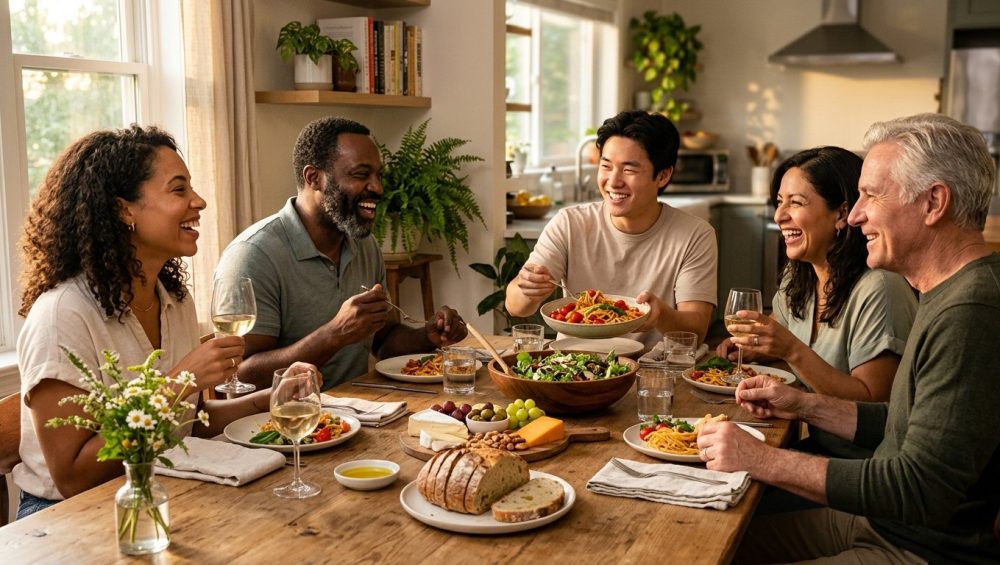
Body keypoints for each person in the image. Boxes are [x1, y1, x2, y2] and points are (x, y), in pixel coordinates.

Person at [698, 114, 1000, 564]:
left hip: (919, 549)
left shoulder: (970, 312)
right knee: (710, 542)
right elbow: (907, 425)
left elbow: (919, 489)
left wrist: (762, 460)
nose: (855, 215)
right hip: (881, 524)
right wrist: (803, 405)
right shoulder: (947, 292)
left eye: (872, 196)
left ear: (934, 202)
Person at [15, 126, 270, 519]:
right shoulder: (62, 315)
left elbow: (188, 426)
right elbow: (72, 478)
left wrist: (271, 401)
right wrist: (180, 380)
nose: (198, 201)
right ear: (123, 209)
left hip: (161, 490)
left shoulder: (174, 300)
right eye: (178, 189)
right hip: (65, 517)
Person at [214, 117, 467, 389]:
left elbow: (383, 340)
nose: (378, 188)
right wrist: (334, 334)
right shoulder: (253, 255)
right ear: (314, 178)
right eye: (361, 174)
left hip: (358, 413)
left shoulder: (364, 245)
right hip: (281, 421)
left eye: (378, 175)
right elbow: (241, 375)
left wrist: (427, 337)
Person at [717, 146, 917, 458]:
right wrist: (761, 350)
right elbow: (796, 357)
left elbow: (873, 404)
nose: (780, 215)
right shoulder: (797, 278)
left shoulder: (879, 287)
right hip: (818, 448)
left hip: (864, 471)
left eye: (796, 203)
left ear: (841, 213)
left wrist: (789, 349)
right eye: (780, 202)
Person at [505, 110, 717, 349]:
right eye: (606, 166)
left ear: (663, 175)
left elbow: (696, 330)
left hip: (653, 371)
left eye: (629, 170)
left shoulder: (695, 234)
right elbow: (516, 306)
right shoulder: (569, 223)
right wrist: (527, 288)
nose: (613, 181)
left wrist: (662, 315)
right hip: (573, 363)